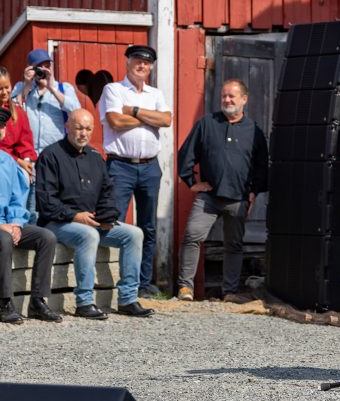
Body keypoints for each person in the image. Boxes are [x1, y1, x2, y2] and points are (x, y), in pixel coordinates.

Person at [35, 109, 155, 319]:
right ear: (68, 127)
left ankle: (128, 298)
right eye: (79, 127)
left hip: (93, 221)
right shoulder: (50, 155)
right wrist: (75, 216)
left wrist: (107, 217)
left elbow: (107, 194)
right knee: (88, 235)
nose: (83, 133)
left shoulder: (95, 157)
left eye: (88, 129)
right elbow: (46, 202)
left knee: (134, 234)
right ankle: (85, 302)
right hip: (58, 222)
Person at [176, 79, 268, 302]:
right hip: (209, 196)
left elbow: (261, 165)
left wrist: (254, 191)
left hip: (238, 198)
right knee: (192, 236)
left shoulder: (254, 131)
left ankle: (230, 291)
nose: (226, 100)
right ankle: (185, 288)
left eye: (232, 96)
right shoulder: (207, 123)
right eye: (224, 96)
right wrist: (191, 182)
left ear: (244, 100)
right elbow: (186, 153)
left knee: (233, 245)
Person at [97, 45, 172, 299]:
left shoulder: (155, 93)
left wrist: (135, 111)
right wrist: (150, 118)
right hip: (121, 165)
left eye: (146, 62)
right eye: (137, 60)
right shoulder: (113, 90)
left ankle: (143, 283)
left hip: (150, 166)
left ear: (151, 66)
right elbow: (116, 122)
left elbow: (166, 120)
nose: (142, 65)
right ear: (128, 62)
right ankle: (116, 281)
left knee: (148, 226)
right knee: (113, 223)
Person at [0, 108, 62, 324]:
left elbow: (18, 197)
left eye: (1, 126)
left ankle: (38, 300)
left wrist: (16, 223)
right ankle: (4, 301)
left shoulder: (7, 161)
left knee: (46, 237)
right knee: (4, 238)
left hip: (8, 224)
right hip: (1, 229)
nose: (0, 130)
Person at [11, 49, 81, 223]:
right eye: (39, 67)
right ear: (31, 69)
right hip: (29, 157)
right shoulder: (21, 87)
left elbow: (76, 112)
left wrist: (51, 87)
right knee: (29, 204)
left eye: (46, 65)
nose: (43, 70)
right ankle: (29, 235)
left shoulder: (64, 88)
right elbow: (11, 111)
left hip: (55, 156)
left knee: (54, 198)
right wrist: (27, 86)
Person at [0, 66, 37, 183]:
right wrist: (18, 161)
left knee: (30, 177)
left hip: (16, 167)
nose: (5, 92)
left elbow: (26, 142)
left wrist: (28, 161)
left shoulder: (19, 113)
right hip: (4, 166)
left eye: (7, 87)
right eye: (0, 89)